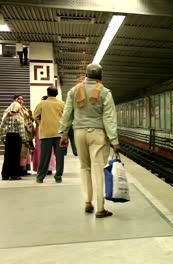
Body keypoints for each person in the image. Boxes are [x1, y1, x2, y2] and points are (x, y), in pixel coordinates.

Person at [59, 63, 120, 219]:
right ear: (100, 77)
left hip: (79, 132)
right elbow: (109, 118)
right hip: (97, 133)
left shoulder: (74, 91)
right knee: (98, 169)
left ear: (85, 75)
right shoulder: (105, 93)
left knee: (84, 167)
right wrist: (114, 140)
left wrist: (63, 134)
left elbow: (67, 114)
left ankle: (87, 201)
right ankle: (100, 208)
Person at [33, 87, 65, 183]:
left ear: (47, 93)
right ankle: (58, 177)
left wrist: (41, 122)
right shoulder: (62, 104)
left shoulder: (42, 104)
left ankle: (40, 177)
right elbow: (67, 117)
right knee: (60, 157)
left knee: (44, 156)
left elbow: (35, 116)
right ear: (57, 94)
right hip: (60, 133)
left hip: (46, 133)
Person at [1, 102, 26, 180]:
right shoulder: (19, 118)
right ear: (18, 108)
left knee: (7, 156)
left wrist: (3, 138)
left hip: (9, 137)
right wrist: (24, 140)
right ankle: (14, 175)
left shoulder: (6, 117)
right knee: (15, 157)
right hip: (16, 137)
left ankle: (5, 175)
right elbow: (21, 130)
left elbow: (1, 128)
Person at [10, 95, 35, 176]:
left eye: (22, 99)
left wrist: (31, 115)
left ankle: (25, 169)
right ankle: (20, 169)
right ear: (14, 100)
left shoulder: (24, 108)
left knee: (26, 152)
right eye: (18, 99)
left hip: (27, 131)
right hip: (20, 131)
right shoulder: (13, 108)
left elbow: (31, 118)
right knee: (22, 151)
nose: (21, 100)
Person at [32, 96, 55, 174]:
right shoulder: (51, 107)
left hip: (42, 129)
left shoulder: (41, 106)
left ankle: (43, 167)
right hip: (46, 128)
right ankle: (47, 167)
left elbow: (35, 116)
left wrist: (40, 123)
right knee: (46, 148)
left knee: (41, 148)